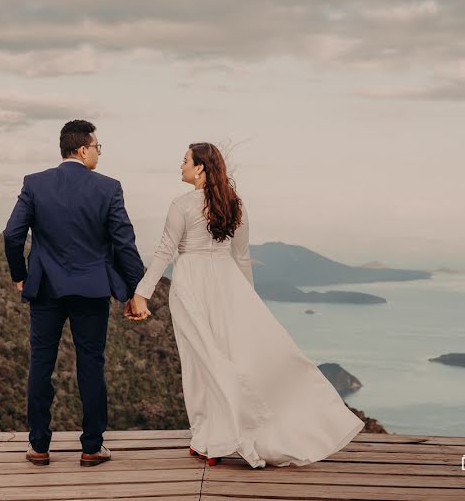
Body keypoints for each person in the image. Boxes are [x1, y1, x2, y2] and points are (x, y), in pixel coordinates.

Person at [127, 142, 364, 468]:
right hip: (228, 286)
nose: (179, 165)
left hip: (190, 285)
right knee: (228, 357)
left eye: (184, 161)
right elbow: (241, 257)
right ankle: (213, 437)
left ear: (200, 168)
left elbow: (165, 252)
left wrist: (142, 293)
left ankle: (210, 439)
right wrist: (248, 301)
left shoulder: (180, 205)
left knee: (200, 363)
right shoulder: (234, 205)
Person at [3, 119, 149, 467]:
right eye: (97, 147)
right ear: (83, 149)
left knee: (41, 364)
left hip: (46, 289)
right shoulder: (108, 188)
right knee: (91, 366)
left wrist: (20, 276)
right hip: (91, 290)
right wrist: (135, 291)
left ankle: (38, 447)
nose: (99, 153)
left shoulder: (35, 184)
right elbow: (124, 244)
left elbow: (11, 235)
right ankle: (91, 447)